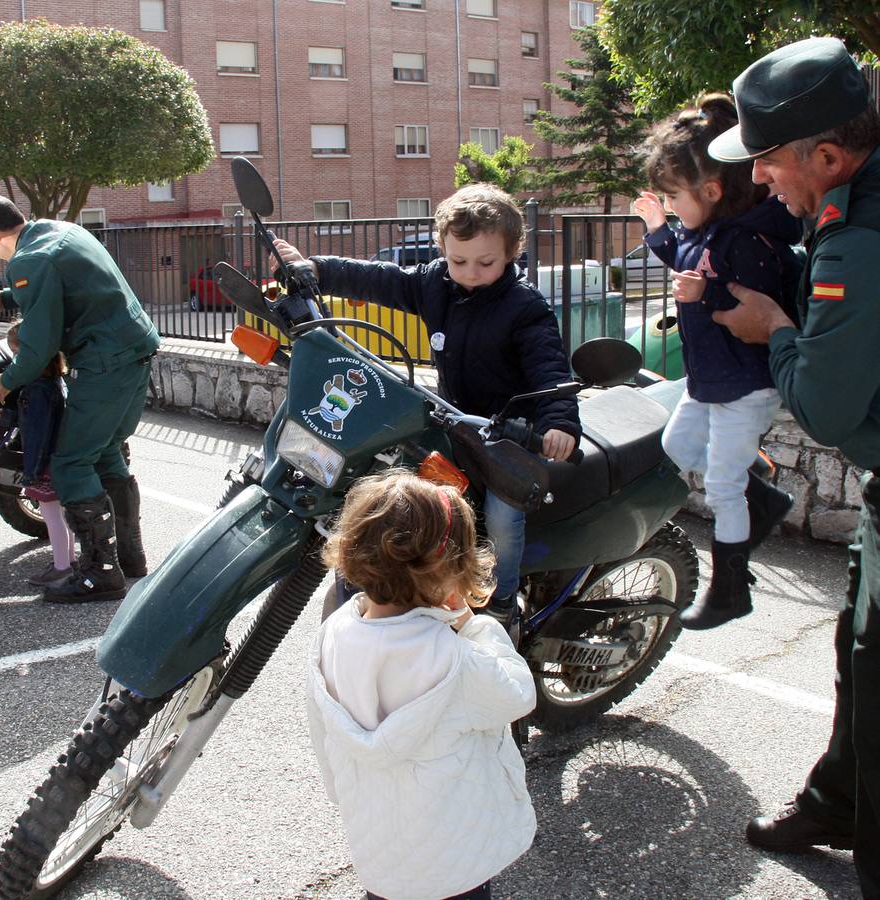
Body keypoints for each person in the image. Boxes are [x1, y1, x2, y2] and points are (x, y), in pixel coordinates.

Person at [707, 36, 880, 894]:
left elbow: (823, 405)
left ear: (827, 155)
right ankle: (836, 801)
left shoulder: (861, 235)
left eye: (768, 161)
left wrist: (772, 329)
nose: (761, 178)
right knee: (858, 653)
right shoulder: (848, 207)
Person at [273, 184, 581, 627]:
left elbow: (550, 368)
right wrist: (317, 269)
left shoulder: (525, 307)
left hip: (511, 435)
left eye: (485, 262)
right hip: (452, 419)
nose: (470, 272)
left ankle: (501, 602)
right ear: (442, 249)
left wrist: (559, 422)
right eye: (459, 261)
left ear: (513, 251)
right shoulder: (436, 282)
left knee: (500, 517)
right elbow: (380, 279)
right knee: (400, 488)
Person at [307, 469, 536, 900]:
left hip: (379, 850)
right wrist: (471, 623)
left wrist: (344, 793)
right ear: (448, 572)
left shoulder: (332, 635)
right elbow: (518, 694)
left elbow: (323, 734)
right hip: (453, 859)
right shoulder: (456, 662)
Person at [631, 93, 803, 629]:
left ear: (711, 190)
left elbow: (748, 309)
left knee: (723, 489)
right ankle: (763, 493)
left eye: (674, 196)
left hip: (743, 384)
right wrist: (660, 227)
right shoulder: (705, 233)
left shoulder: (747, 242)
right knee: (677, 446)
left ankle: (731, 588)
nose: (672, 206)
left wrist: (703, 297)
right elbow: (684, 260)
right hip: (709, 379)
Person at [0, 191, 159, 603]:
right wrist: (4, 298)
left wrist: (7, 382)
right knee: (107, 451)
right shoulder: (62, 230)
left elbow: (38, 345)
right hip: (134, 351)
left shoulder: (28, 259)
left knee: (71, 462)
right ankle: (129, 558)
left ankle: (99, 574)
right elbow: (59, 283)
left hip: (104, 361)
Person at [0, 323, 76, 588]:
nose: (16, 361)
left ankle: (61, 567)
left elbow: (36, 427)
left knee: (52, 514)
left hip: (45, 461)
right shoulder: (54, 382)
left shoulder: (37, 389)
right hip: (59, 457)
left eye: (18, 355)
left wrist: (6, 417)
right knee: (62, 513)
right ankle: (69, 561)